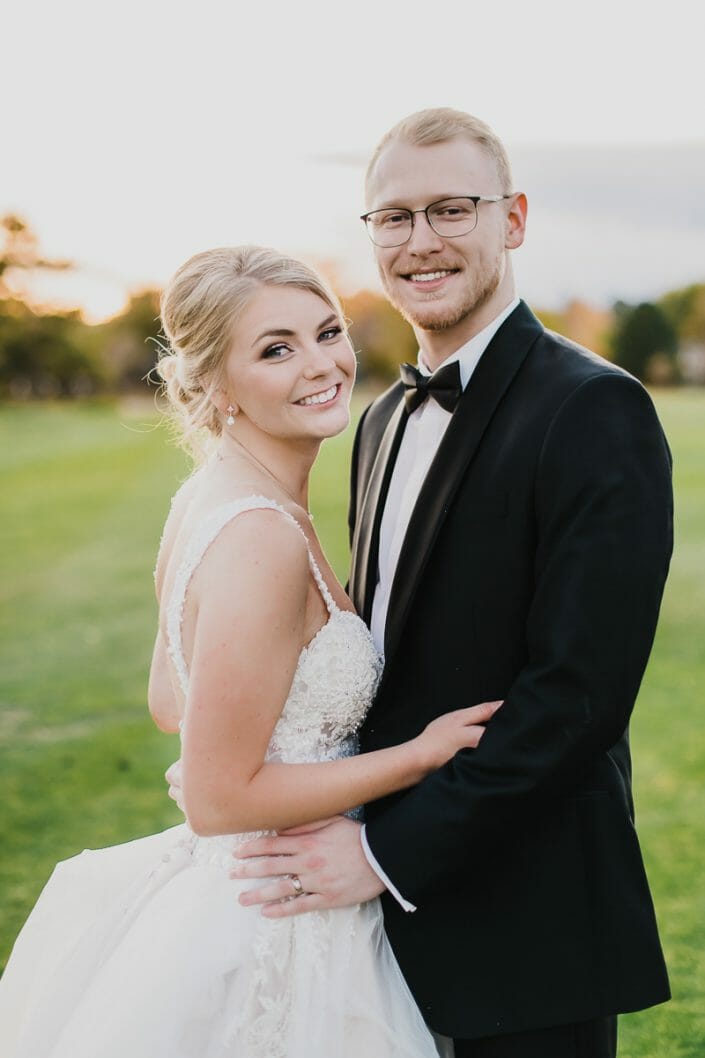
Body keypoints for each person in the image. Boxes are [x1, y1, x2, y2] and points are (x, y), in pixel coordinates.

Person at [225, 109, 674, 1058]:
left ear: (511, 219)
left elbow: (576, 698)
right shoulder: (379, 418)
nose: (419, 242)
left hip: (526, 918)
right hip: (367, 924)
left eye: (449, 210)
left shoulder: (594, 408)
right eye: (392, 217)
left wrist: (385, 855)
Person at [0, 245, 502, 1058]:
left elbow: (173, 698)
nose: (322, 365)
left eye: (326, 332)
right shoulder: (259, 536)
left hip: (263, 881)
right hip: (277, 917)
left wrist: (255, 744)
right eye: (275, 349)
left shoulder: (206, 497)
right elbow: (217, 800)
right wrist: (417, 757)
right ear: (214, 387)